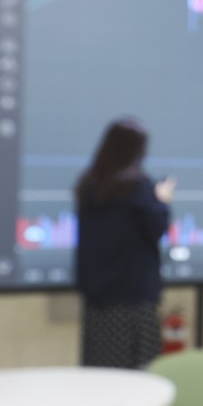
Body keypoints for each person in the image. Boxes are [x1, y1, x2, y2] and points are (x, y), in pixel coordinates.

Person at [74, 117, 174, 369]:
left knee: (102, 374)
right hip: (133, 302)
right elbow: (156, 227)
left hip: (98, 301)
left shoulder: (90, 186)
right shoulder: (137, 188)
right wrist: (161, 200)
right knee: (137, 380)